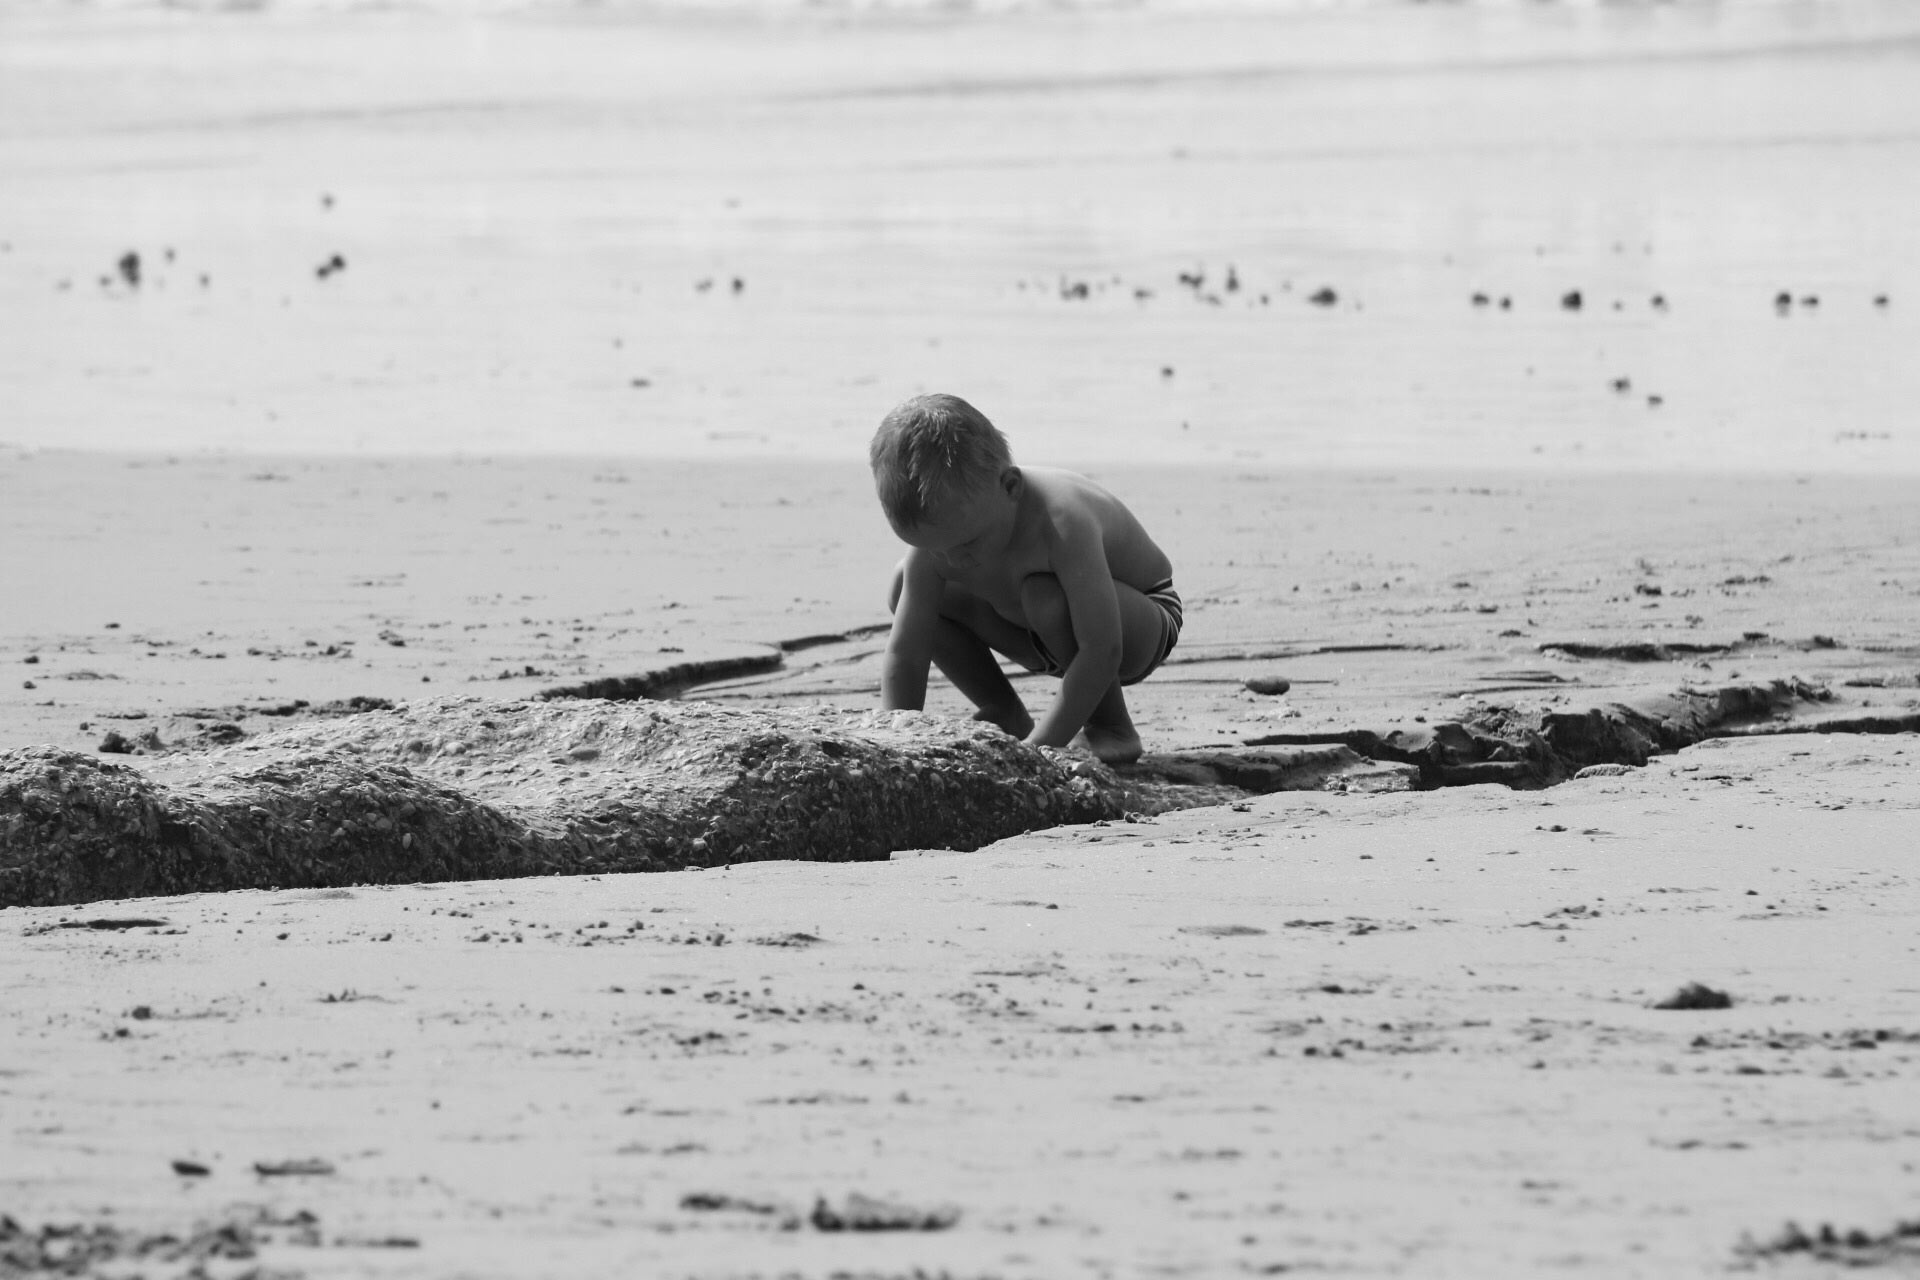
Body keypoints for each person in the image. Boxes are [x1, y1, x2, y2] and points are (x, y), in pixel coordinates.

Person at [870, 393, 1182, 765]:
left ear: (1011, 487)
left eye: (968, 542)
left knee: (1044, 596)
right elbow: (908, 651)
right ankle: (1003, 710)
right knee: (905, 583)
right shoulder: (949, 535)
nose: (953, 560)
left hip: (1139, 624)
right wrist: (894, 738)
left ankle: (1112, 726)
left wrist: (1038, 751)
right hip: (1032, 630)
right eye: (934, 548)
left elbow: (1102, 648)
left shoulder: (1063, 520)